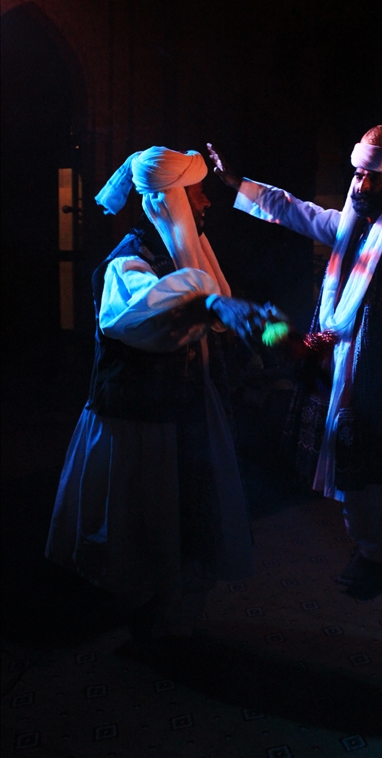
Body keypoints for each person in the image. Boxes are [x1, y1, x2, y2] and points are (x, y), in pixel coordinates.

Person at [208, 126, 382, 590]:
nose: (361, 186)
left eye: (372, 179)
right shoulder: (343, 227)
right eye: (358, 176)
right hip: (335, 368)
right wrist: (237, 184)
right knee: (362, 471)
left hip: (379, 379)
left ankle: (375, 556)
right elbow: (289, 209)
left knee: (368, 475)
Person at [46, 147, 273, 638]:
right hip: (138, 422)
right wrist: (207, 301)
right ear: (170, 200)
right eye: (197, 194)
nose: (207, 204)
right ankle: (147, 624)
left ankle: (171, 619)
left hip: (180, 416)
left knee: (180, 523)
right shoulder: (128, 261)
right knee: (141, 529)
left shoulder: (177, 253)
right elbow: (138, 316)